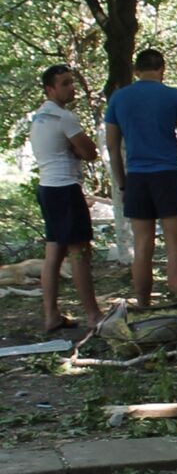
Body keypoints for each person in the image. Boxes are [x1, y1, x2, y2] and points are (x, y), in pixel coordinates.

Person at [105, 49, 177, 306]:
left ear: (137, 70)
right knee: (176, 246)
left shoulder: (119, 98)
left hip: (137, 176)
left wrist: (122, 182)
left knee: (142, 245)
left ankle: (143, 304)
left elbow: (113, 146)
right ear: (162, 69)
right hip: (169, 175)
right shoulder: (174, 97)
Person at [30, 65, 102, 332]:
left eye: (72, 82)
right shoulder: (63, 117)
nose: (71, 88)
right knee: (80, 253)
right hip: (65, 189)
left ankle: (51, 315)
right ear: (50, 89)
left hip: (47, 188)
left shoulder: (39, 118)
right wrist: (77, 149)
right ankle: (94, 315)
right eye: (64, 84)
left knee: (54, 253)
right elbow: (90, 151)